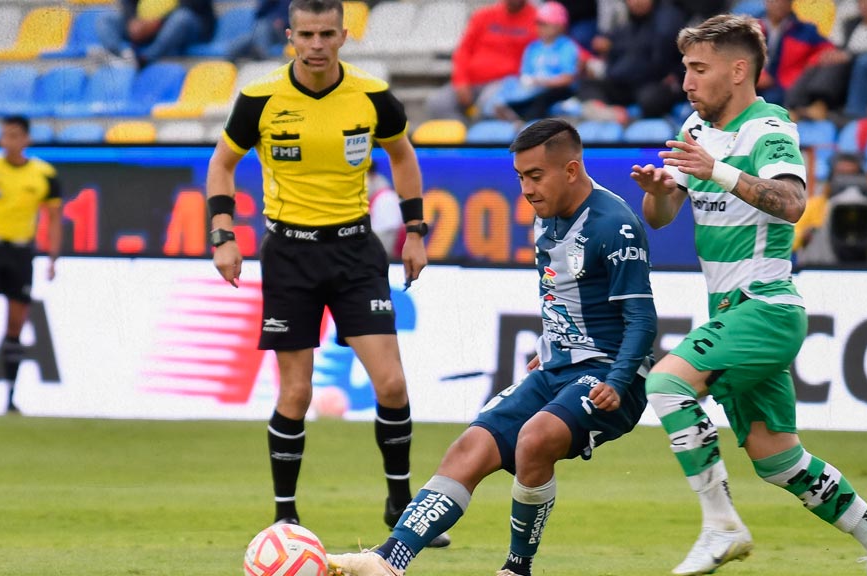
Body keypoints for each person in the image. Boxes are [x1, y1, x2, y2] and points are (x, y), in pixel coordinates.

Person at [630, 14, 867, 576]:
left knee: (667, 383)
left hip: (765, 305)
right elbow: (663, 219)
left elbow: (792, 204)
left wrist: (717, 172)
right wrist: (661, 192)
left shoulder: (769, 129)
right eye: (685, 68)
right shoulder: (697, 129)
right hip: (728, 311)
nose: (687, 81)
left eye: (698, 69)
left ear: (738, 70)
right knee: (776, 456)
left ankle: (721, 525)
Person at [327, 118, 658, 576]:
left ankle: (515, 569)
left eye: (535, 176)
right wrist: (552, 342)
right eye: (520, 177)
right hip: (560, 367)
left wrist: (619, 381)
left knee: (534, 439)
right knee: (470, 447)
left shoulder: (615, 224)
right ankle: (388, 560)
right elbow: (564, 295)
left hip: (611, 375)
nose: (525, 189)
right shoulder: (548, 221)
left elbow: (641, 319)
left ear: (571, 170)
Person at [205, 0, 449, 548]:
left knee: (391, 382)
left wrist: (414, 231)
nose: (316, 44)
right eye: (306, 34)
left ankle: (400, 507)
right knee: (296, 394)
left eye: (327, 34)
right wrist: (223, 234)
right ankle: (286, 518)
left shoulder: (370, 95)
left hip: (355, 251)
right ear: (290, 36)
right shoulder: (260, 99)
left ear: (344, 35)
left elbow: (404, 158)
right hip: (289, 254)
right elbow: (221, 164)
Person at [0, 115, 62, 414]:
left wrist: (53, 256)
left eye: (13, 136)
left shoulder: (43, 174)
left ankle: (10, 397)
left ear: (26, 139)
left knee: (15, 324)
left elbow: (53, 220)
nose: (7, 142)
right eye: (3, 136)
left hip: (22, 253)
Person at [786, 0, 867, 119]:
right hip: (846, 73)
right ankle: (793, 106)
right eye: (863, 2)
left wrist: (849, 56)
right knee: (820, 61)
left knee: (842, 63)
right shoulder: (851, 24)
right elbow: (842, 48)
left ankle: (821, 104)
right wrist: (832, 55)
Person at [424, 0, 538, 121]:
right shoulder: (483, 15)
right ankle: (462, 134)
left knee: (487, 104)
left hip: (506, 82)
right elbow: (463, 50)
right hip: (472, 81)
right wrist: (461, 82)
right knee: (438, 103)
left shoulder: (537, 19)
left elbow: (538, 55)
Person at [579, 0, 689, 122]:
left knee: (651, 100)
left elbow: (661, 62)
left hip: (653, 83)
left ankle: (633, 123)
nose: (635, 2)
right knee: (588, 84)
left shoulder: (667, 21)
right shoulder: (628, 23)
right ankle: (610, 115)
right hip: (625, 84)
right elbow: (617, 52)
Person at [488, 2, 580, 122]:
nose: (539, 27)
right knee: (508, 85)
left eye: (544, 24)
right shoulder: (533, 47)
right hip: (534, 90)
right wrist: (530, 83)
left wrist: (543, 82)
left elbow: (568, 78)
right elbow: (525, 75)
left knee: (543, 99)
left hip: (557, 91)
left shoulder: (567, 46)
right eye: (537, 23)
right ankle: (510, 111)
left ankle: (523, 118)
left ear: (559, 26)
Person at [95, 0, 216, 68]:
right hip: (143, 25)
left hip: (185, 25)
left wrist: (158, 22)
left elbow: (194, 4)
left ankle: (144, 60)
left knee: (181, 19)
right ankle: (122, 55)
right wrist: (132, 21)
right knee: (106, 19)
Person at [757, 0, 833, 105]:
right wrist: (757, 75)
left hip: (787, 87)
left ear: (791, 4)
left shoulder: (805, 31)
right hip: (753, 84)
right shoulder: (752, 27)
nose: (779, 5)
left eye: (784, 2)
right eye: (774, 1)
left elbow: (830, 52)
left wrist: (810, 63)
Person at [227, 0, 292, 61]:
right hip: (267, 29)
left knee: (259, 30)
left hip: (285, 32)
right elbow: (258, 13)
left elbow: (297, 17)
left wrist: (284, 21)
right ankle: (261, 53)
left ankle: (229, 54)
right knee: (257, 32)